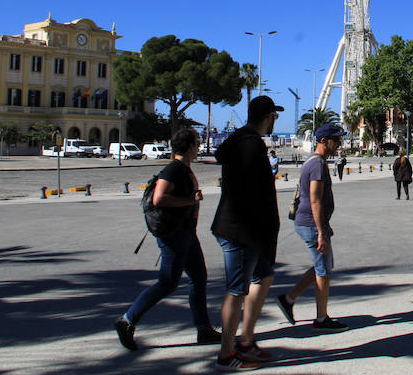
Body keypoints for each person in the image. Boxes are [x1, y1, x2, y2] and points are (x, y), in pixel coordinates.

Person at [114, 128, 220, 351]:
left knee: (199, 278)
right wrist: (189, 199)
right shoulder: (174, 169)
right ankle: (127, 320)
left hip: (187, 234)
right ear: (190, 146)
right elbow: (159, 198)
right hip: (175, 235)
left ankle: (203, 329)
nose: (199, 146)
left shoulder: (183, 168)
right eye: (197, 142)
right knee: (168, 282)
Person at [210, 95, 283, 371]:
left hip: (249, 230)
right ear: (268, 117)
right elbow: (250, 194)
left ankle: (246, 340)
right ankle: (226, 355)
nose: (274, 119)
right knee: (235, 291)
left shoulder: (242, 139)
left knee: (264, 276)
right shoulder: (251, 146)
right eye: (274, 115)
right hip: (241, 230)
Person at [275, 123, 349, 333]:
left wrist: (325, 225)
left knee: (322, 266)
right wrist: (321, 231)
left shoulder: (314, 161)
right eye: (336, 140)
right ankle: (321, 319)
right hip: (310, 223)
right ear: (324, 140)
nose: (340, 144)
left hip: (311, 222)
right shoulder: (317, 164)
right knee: (323, 270)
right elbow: (315, 200)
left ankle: (288, 299)